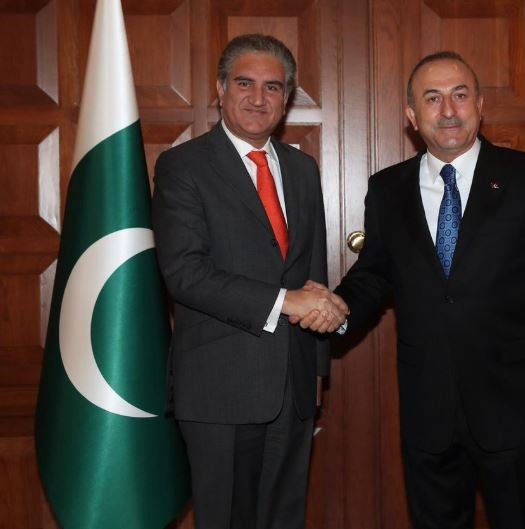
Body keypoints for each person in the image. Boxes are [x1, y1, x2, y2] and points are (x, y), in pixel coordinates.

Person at [298, 51, 525, 528]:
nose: (448, 110)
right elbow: (374, 275)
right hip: (428, 408)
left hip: (516, 406)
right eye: (432, 99)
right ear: (412, 116)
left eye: (459, 95)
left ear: (480, 104)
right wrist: (337, 310)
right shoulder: (388, 189)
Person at [151, 34, 348, 529]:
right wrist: (288, 302)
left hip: (294, 388)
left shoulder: (302, 169)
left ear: (286, 99)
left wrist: (317, 371)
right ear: (220, 89)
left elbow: (311, 274)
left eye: (273, 88)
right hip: (221, 388)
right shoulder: (183, 166)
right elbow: (185, 274)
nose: (258, 99)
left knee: (284, 519)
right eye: (244, 84)